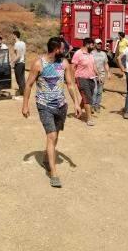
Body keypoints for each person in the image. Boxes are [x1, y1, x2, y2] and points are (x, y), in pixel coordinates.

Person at [22, 37, 82, 188]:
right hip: (44, 105)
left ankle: (46, 158)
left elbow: (70, 84)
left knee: (55, 137)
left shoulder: (64, 63)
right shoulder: (38, 64)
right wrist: (25, 105)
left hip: (61, 106)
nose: (65, 50)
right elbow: (28, 85)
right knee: (52, 135)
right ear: (56, 49)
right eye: (62, 48)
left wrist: (76, 103)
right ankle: (53, 172)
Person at [71, 38, 97, 126]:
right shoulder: (78, 53)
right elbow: (73, 67)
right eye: (92, 44)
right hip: (81, 78)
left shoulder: (90, 54)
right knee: (87, 98)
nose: (94, 46)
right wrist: (72, 79)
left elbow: (93, 65)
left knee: (87, 97)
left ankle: (79, 110)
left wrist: (98, 76)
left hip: (91, 78)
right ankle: (89, 119)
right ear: (87, 44)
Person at [91, 38, 110, 113]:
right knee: (94, 91)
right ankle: (92, 106)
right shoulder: (91, 53)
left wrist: (108, 72)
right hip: (93, 75)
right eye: (98, 43)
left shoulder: (103, 54)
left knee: (100, 91)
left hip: (102, 75)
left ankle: (97, 106)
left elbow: (106, 64)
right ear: (95, 44)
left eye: (100, 43)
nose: (99, 45)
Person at [12, 30, 26, 97]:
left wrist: (12, 62)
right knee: (22, 78)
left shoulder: (16, 44)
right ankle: (23, 92)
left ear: (15, 35)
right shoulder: (23, 43)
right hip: (23, 63)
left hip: (19, 63)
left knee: (18, 79)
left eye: (13, 35)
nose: (12, 36)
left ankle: (23, 92)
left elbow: (18, 55)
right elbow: (23, 54)